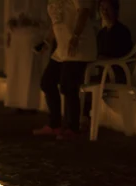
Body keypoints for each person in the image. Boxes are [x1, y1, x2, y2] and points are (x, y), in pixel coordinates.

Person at [34, 0, 97, 139]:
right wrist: (46, 42)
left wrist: (75, 36)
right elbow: (56, 22)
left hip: (78, 46)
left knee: (68, 86)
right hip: (62, 49)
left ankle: (72, 128)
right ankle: (54, 125)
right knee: (47, 82)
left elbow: (84, 12)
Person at [5, 0, 49, 112]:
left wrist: (31, 22)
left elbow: (46, 21)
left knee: (30, 71)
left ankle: (30, 104)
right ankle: (15, 102)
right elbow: (9, 18)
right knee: (16, 70)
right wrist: (12, 26)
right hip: (17, 37)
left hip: (32, 37)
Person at [96, 0, 133, 82]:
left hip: (116, 75)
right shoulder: (101, 33)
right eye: (102, 9)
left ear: (115, 10)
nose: (104, 12)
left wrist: (105, 59)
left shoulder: (122, 31)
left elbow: (126, 57)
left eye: (107, 9)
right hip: (103, 74)